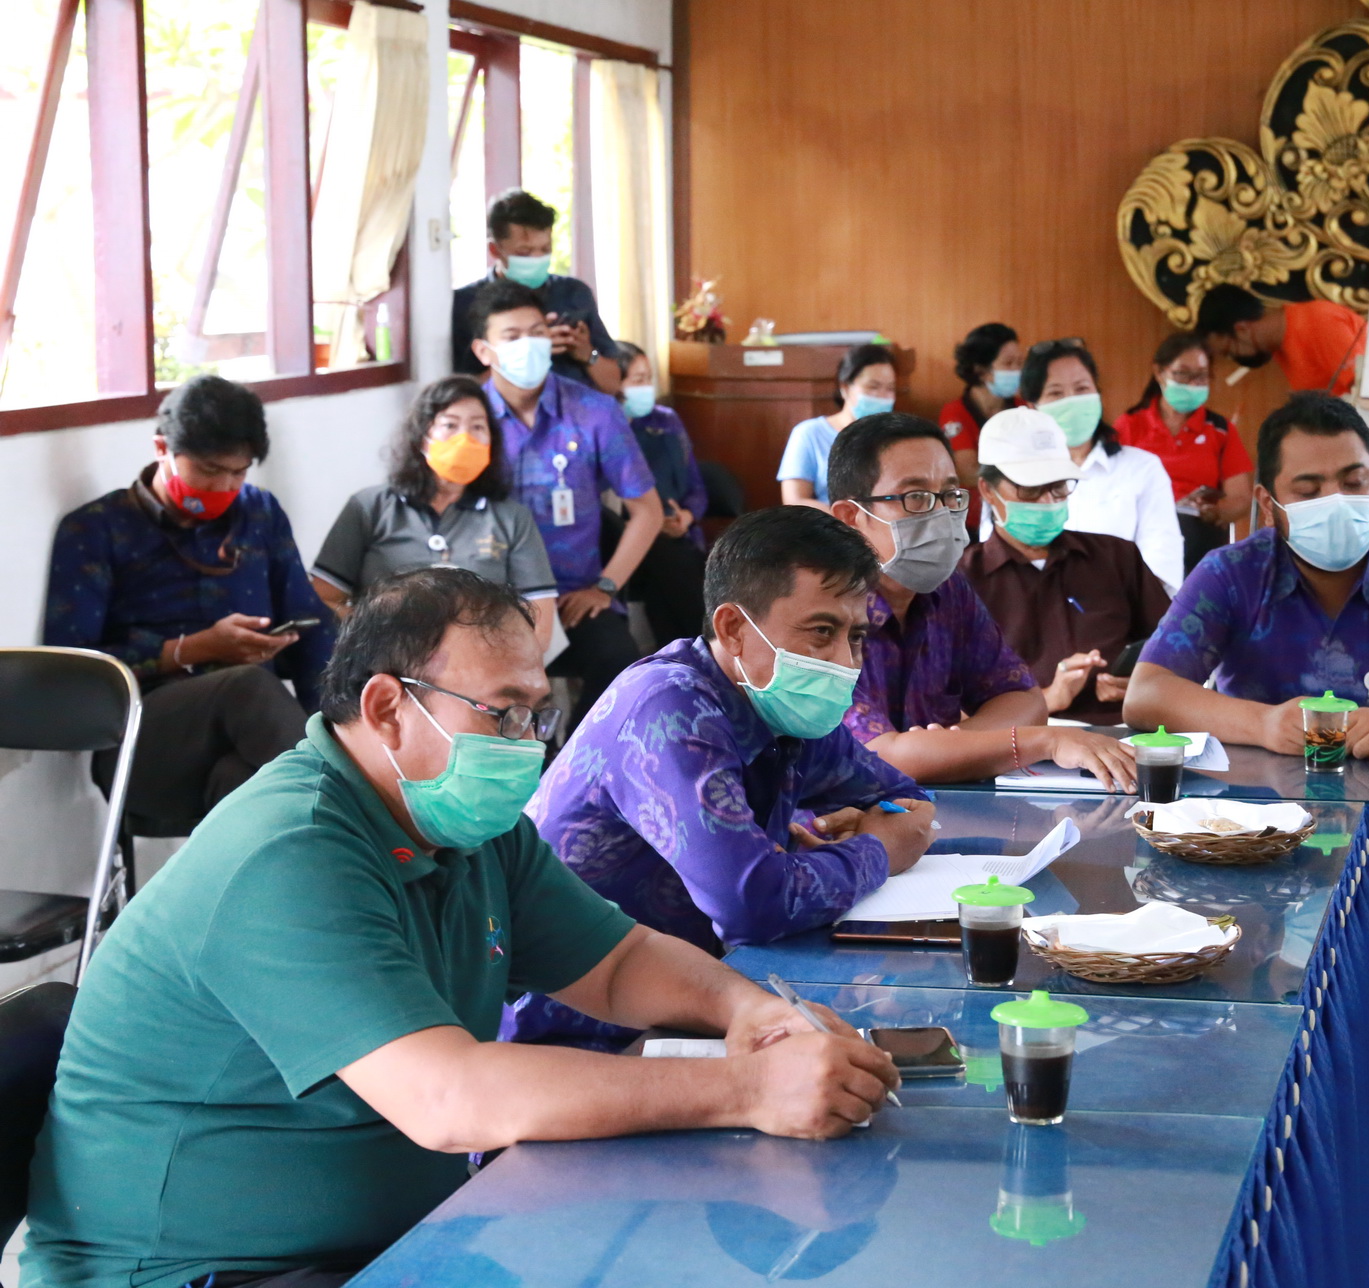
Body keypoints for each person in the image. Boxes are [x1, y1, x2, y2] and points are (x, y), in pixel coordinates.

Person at [22, 567, 899, 1288]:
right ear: (387, 709)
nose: (527, 743)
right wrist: (747, 1090)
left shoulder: (465, 826)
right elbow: (449, 1100)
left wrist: (748, 1013)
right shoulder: (289, 852)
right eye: (501, 713)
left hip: (394, 1239)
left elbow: (618, 961)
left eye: (535, 713)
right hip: (201, 1271)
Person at [513, 507, 935, 1050]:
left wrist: (817, 848)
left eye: (855, 636)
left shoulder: (788, 710)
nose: (844, 662)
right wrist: (877, 849)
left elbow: (903, 799)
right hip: (580, 1039)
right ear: (734, 629)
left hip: (702, 1004)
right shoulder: (668, 708)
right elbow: (751, 905)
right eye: (821, 632)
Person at [1124, 392, 1369, 758]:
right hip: (1258, 806)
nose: (1337, 502)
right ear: (1268, 504)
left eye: (1354, 482)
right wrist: (1262, 724)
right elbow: (1148, 693)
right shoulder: (1230, 575)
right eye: (1308, 491)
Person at [42, 375, 332, 835]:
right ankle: (363, 822)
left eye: (239, 472)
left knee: (248, 785)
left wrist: (341, 726)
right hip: (142, 748)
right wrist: (191, 649)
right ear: (162, 448)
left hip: (248, 744)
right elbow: (74, 670)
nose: (225, 485)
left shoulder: (258, 514)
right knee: (245, 686)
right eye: (210, 470)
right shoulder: (97, 529)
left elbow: (312, 626)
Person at [826, 412, 1137, 788]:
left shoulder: (946, 590)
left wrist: (947, 748)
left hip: (940, 807)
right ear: (851, 517)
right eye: (916, 497)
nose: (942, 513)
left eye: (950, 495)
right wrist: (1046, 742)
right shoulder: (823, 612)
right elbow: (880, 757)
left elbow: (1026, 701)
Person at [470, 277, 664, 724]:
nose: (528, 345)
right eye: (512, 337)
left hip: (572, 598)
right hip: (491, 602)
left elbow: (647, 511)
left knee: (620, 664)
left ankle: (572, 760)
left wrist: (606, 586)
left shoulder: (594, 411)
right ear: (484, 351)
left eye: (536, 332)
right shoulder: (469, 418)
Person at [312, 375, 559, 654]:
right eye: (450, 425)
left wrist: (496, 664)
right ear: (423, 436)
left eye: (478, 426)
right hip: (383, 662)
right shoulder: (370, 507)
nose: (465, 438)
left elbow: (539, 622)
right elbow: (324, 597)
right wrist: (378, 641)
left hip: (481, 663)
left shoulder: (512, 518)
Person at [960, 407, 1171, 725]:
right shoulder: (962, 581)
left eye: (1058, 486)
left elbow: (1176, 648)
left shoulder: (1116, 557)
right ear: (988, 490)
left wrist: (1145, 683)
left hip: (1126, 731)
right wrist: (1048, 698)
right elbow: (950, 707)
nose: (1048, 501)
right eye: (1030, 489)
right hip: (1022, 742)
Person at [1004, 337, 1183, 592]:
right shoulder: (1012, 477)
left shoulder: (1143, 469)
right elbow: (1001, 568)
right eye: (1056, 393)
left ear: (1098, 394)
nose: (1072, 401)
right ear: (1032, 407)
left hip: (1125, 611)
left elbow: (1162, 566)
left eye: (1081, 389)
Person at [452, 188, 620, 394]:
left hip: (576, 408)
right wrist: (528, 350)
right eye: (525, 252)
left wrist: (586, 353)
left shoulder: (574, 294)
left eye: (545, 249)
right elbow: (460, 393)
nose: (537, 258)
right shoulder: (466, 303)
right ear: (495, 249)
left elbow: (613, 385)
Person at [1114, 332, 1254, 571]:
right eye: (1182, 374)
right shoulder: (1129, 425)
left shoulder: (1220, 430)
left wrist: (1217, 511)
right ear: (1160, 372)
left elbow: (1241, 498)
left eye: (1201, 376)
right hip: (1140, 535)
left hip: (1199, 538)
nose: (1192, 383)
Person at [609, 340, 710, 645]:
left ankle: (684, 651)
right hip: (621, 539)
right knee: (663, 554)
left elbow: (696, 488)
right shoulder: (603, 428)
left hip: (676, 535)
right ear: (614, 383)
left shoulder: (665, 422)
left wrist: (686, 517)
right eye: (637, 380)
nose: (647, 388)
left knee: (669, 557)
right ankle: (701, 645)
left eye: (649, 379)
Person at [778, 343, 899, 507]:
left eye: (890, 388)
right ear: (845, 388)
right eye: (873, 387)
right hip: (829, 521)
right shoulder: (809, 433)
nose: (882, 396)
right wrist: (845, 518)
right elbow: (794, 500)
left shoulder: (897, 436)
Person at [1194, 284, 1367, 396]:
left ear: (1242, 330)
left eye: (1229, 352)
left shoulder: (1319, 322)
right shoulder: (1282, 347)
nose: (1234, 359)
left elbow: (1365, 392)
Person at [941, 322, 1022, 482]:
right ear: (981, 369)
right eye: (1008, 363)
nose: (1017, 371)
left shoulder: (1024, 407)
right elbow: (968, 473)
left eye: (1020, 363)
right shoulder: (954, 413)